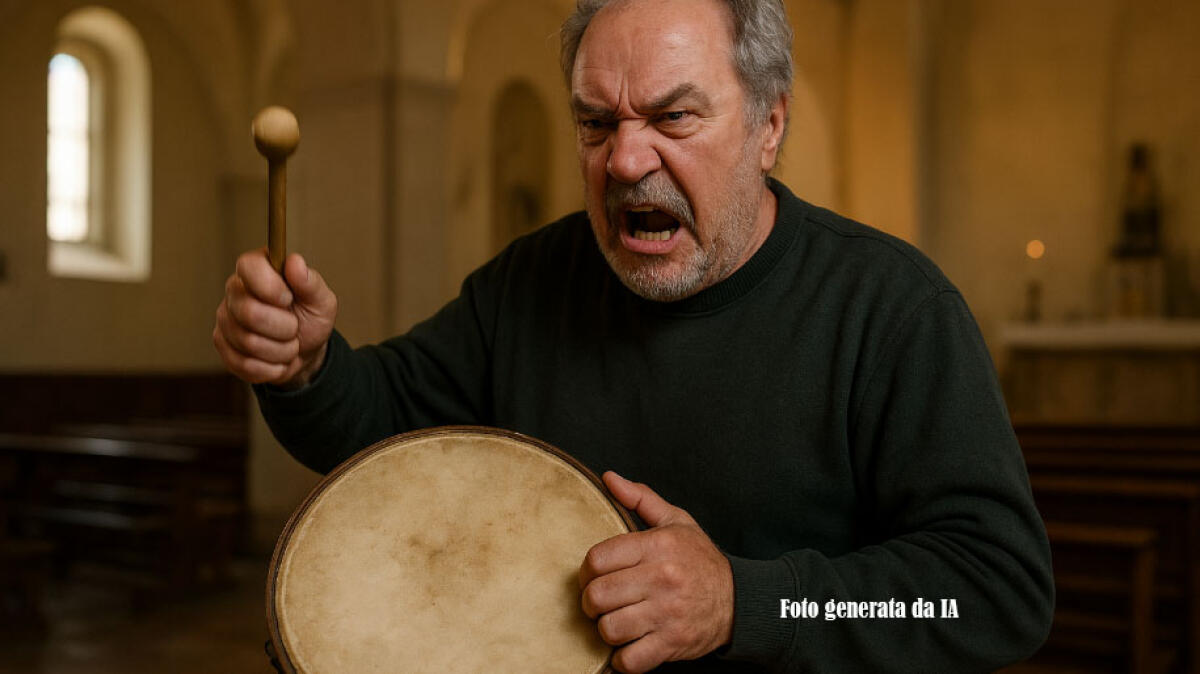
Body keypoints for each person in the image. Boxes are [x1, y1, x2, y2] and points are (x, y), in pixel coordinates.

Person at [214, 0, 1054, 671]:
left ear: (770, 126)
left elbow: (990, 592)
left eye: (673, 117)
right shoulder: (531, 283)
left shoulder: (891, 309)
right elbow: (380, 424)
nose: (623, 162)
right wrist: (306, 366)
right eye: (595, 123)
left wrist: (743, 602)